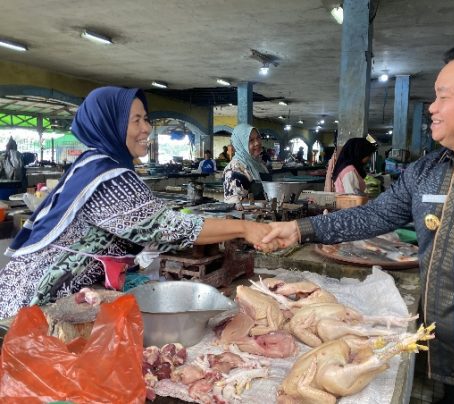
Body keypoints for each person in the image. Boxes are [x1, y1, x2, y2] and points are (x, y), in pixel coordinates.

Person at [262, 44, 454, 403]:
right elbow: (375, 215)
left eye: (442, 96)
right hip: (443, 363)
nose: (432, 108)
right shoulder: (427, 171)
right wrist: (301, 229)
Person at [0, 87, 275, 320]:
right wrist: (243, 229)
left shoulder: (95, 163)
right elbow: (164, 228)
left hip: (38, 290)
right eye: (136, 121)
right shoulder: (107, 177)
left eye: (146, 119)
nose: (146, 128)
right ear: (110, 124)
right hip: (33, 302)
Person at [223, 124, 269, 205]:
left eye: (258, 137)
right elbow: (234, 204)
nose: (257, 143)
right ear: (240, 143)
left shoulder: (259, 164)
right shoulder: (235, 169)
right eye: (251, 140)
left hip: (264, 214)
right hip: (247, 216)